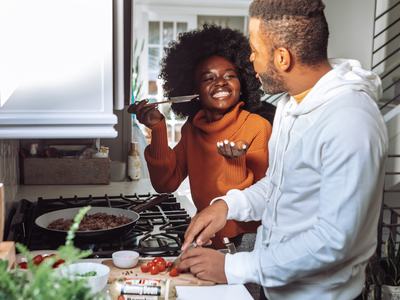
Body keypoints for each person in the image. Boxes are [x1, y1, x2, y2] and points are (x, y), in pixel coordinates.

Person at [179, 1, 389, 299]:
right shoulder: (293, 104)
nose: (250, 60)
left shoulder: (350, 121)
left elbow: (333, 241)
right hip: (277, 288)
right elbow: (283, 186)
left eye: (255, 50)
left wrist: (233, 267)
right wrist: (227, 206)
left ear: (282, 57)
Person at [129, 25, 274, 249]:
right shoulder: (192, 129)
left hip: (247, 241)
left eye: (230, 76)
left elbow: (263, 199)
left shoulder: (257, 127)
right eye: (209, 78)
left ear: (243, 83)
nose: (221, 82)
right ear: (193, 90)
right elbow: (165, 184)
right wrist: (158, 129)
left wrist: (234, 162)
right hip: (206, 236)